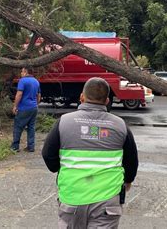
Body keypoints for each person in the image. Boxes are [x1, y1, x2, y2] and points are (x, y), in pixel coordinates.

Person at [42, 77, 138, 229]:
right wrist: (128, 180)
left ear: (82, 97)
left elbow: (48, 155)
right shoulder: (121, 125)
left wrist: (59, 168)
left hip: (71, 197)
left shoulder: (64, 122)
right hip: (107, 203)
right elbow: (131, 160)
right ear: (107, 100)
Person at [11, 67, 41, 152]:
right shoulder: (36, 81)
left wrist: (15, 106)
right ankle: (31, 146)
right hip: (34, 107)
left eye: (22, 71)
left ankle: (15, 147)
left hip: (24, 107)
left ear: (25, 72)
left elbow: (19, 94)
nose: (21, 73)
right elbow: (38, 96)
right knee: (31, 127)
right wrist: (36, 104)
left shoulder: (22, 81)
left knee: (18, 127)